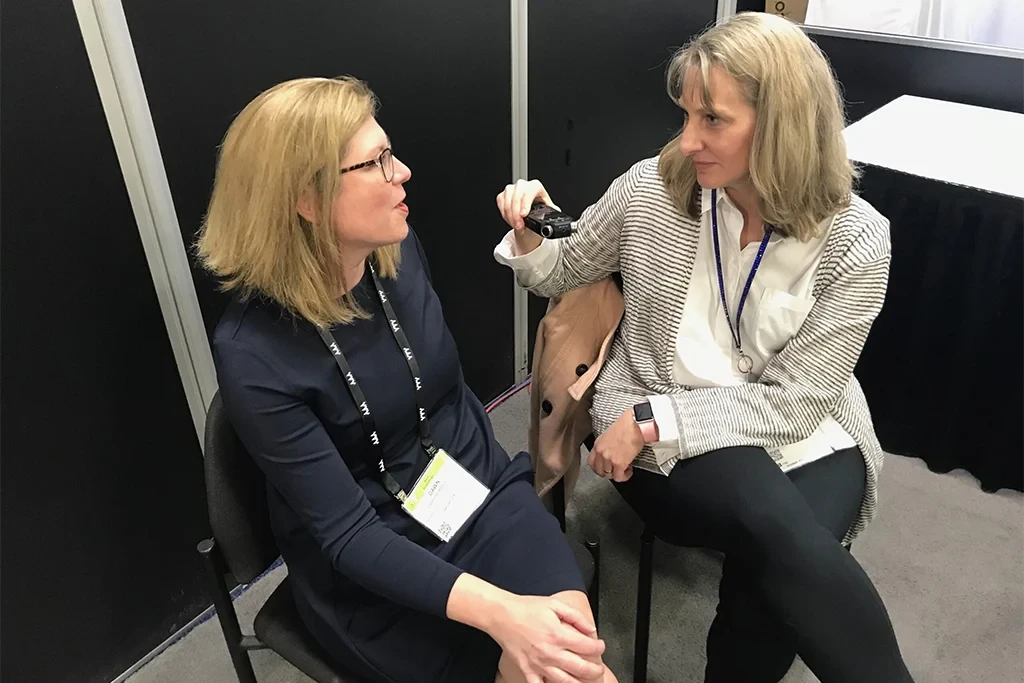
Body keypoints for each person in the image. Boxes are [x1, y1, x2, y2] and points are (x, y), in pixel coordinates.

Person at [494, 12, 915, 683]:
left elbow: (799, 402)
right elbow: (564, 268)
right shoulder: (653, 191)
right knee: (774, 528)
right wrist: (526, 232)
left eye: (712, 119)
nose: (687, 140)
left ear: (782, 124)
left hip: (804, 431)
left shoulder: (859, 239)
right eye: (686, 114)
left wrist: (652, 422)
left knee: (770, 560)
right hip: (659, 434)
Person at [199, 76, 617, 683]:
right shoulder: (254, 355)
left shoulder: (394, 253)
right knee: (551, 664)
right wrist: (503, 615)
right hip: (375, 567)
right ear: (307, 200)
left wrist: (519, 606)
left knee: (576, 662)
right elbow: (348, 536)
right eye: (377, 162)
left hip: (478, 494)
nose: (404, 173)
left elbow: (448, 404)